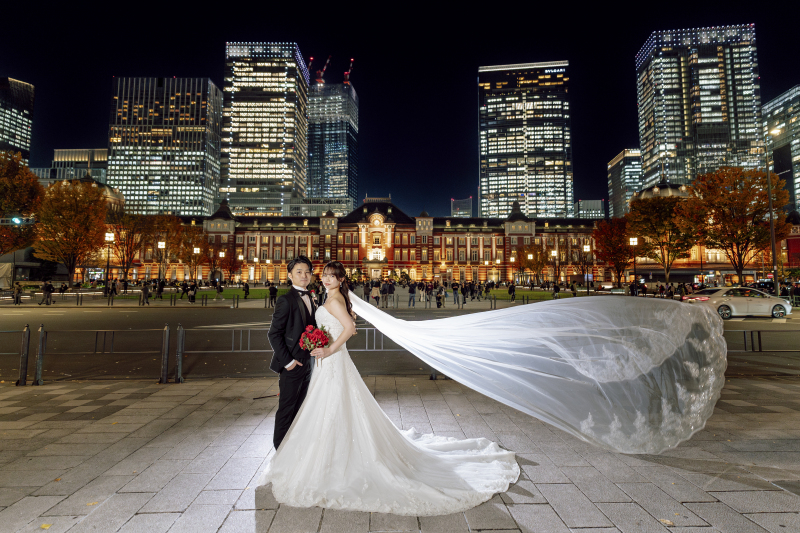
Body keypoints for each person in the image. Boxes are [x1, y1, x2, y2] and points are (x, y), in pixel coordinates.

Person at [258, 260, 519, 515]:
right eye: (324, 274)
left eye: (331, 276)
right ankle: (305, 453)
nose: (325, 279)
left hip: (332, 360)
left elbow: (349, 328)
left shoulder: (332, 299)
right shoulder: (323, 297)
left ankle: (320, 457)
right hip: (323, 364)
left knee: (332, 406)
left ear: (341, 279)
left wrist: (329, 348)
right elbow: (327, 325)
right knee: (324, 407)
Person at [267, 256, 317, 450]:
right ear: (290, 275)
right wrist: (288, 362)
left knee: (301, 408)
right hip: (292, 364)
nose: (304, 275)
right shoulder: (285, 300)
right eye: (299, 272)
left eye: (307, 272)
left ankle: (293, 448)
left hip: (309, 363)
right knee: (286, 409)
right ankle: (279, 450)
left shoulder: (312, 297)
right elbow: (274, 334)